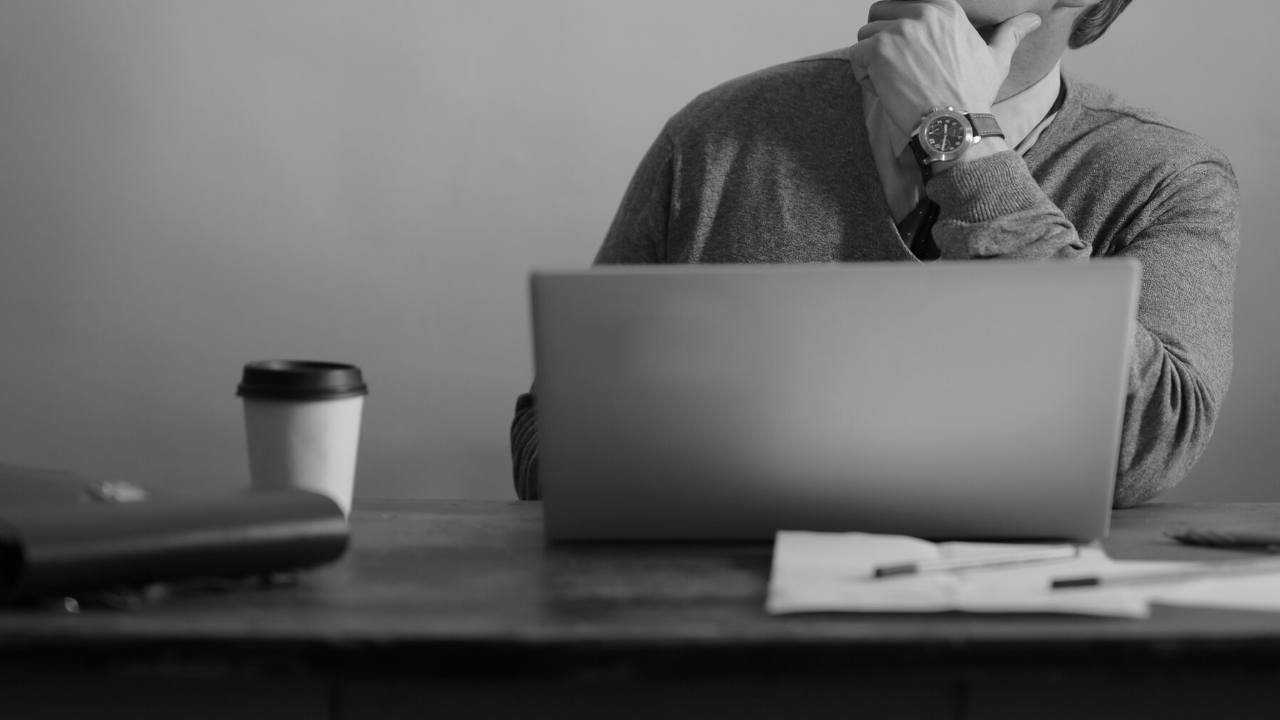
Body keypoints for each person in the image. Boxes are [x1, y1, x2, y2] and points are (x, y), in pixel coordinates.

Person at [510, 0, 1239, 507]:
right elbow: (552, 442)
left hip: (1021, 635)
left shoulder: (1165, 174)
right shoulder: (719, 133)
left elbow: (1151, 447)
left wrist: (959, 142)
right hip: (721, 615)